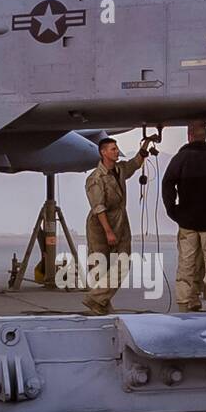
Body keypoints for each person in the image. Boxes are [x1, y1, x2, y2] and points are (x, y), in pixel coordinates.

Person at [162, 121, 206, 312]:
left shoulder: (181, 158)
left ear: (189, 135)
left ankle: (184, 307)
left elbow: (167, 184)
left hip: (188, 222)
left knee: (186, 265)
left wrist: (174, 211)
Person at [83, 134, 154, 315]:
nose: (117, 152)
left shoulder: (119, 170)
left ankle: (97, 299)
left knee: (123, 263)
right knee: (100, 266)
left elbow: (135, 163)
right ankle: (101, 304)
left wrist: (147, 142)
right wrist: (108, 231)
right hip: (100, 226)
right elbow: (98, 208)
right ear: (103, 152)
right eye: (113, 149)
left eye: (116, 148)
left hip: (120, 221)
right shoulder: (95, 178)